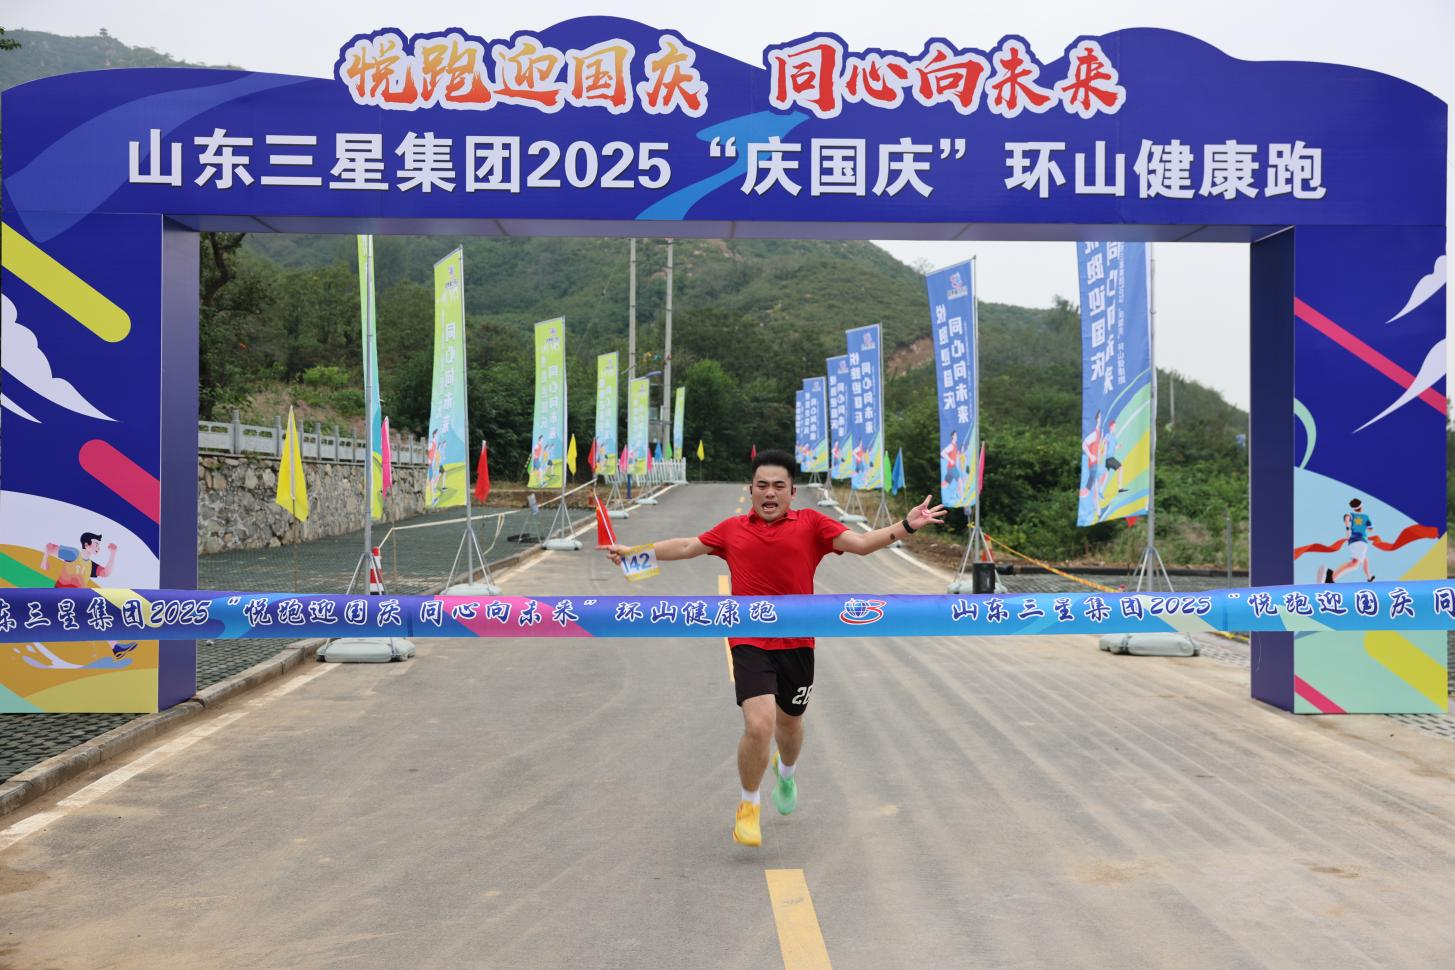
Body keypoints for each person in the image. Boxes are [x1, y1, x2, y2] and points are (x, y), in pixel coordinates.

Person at [605, 448, 946, 848]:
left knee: (790, 724)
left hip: (797, 642)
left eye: (778, 486)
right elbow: (685, 547)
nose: (770, 493)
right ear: (751, 489)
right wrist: (633, 556)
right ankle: (749, 804)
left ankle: (786, 773)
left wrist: (907, 525)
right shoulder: (732, 529)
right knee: (759, 724)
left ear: (792, 492)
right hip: (749, 639)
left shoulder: (812, 524)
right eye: (762, 485)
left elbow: (861, 543)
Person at [41, 532, 118, 588]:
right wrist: (45, 561)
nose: (98, 548)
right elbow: (50, 548)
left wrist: (113, 553)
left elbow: (105, 573)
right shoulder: (73, 553)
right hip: (61, 595)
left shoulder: (90, 565)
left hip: (76, 599)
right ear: (86, 544)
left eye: (99, 545)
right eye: (96, 544)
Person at [1325, 498, 1375, 583]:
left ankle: (1369, 578)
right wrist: (1362, 527)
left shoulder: (1352, 515)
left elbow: (1347, 517)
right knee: (1355, 564)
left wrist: (1348, 529)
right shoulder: (1365, 517)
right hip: (1361, 540)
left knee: (1364, 558)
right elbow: (1371, 529)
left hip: (1353, 541)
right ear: (1361, 506)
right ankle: (1332, 577)